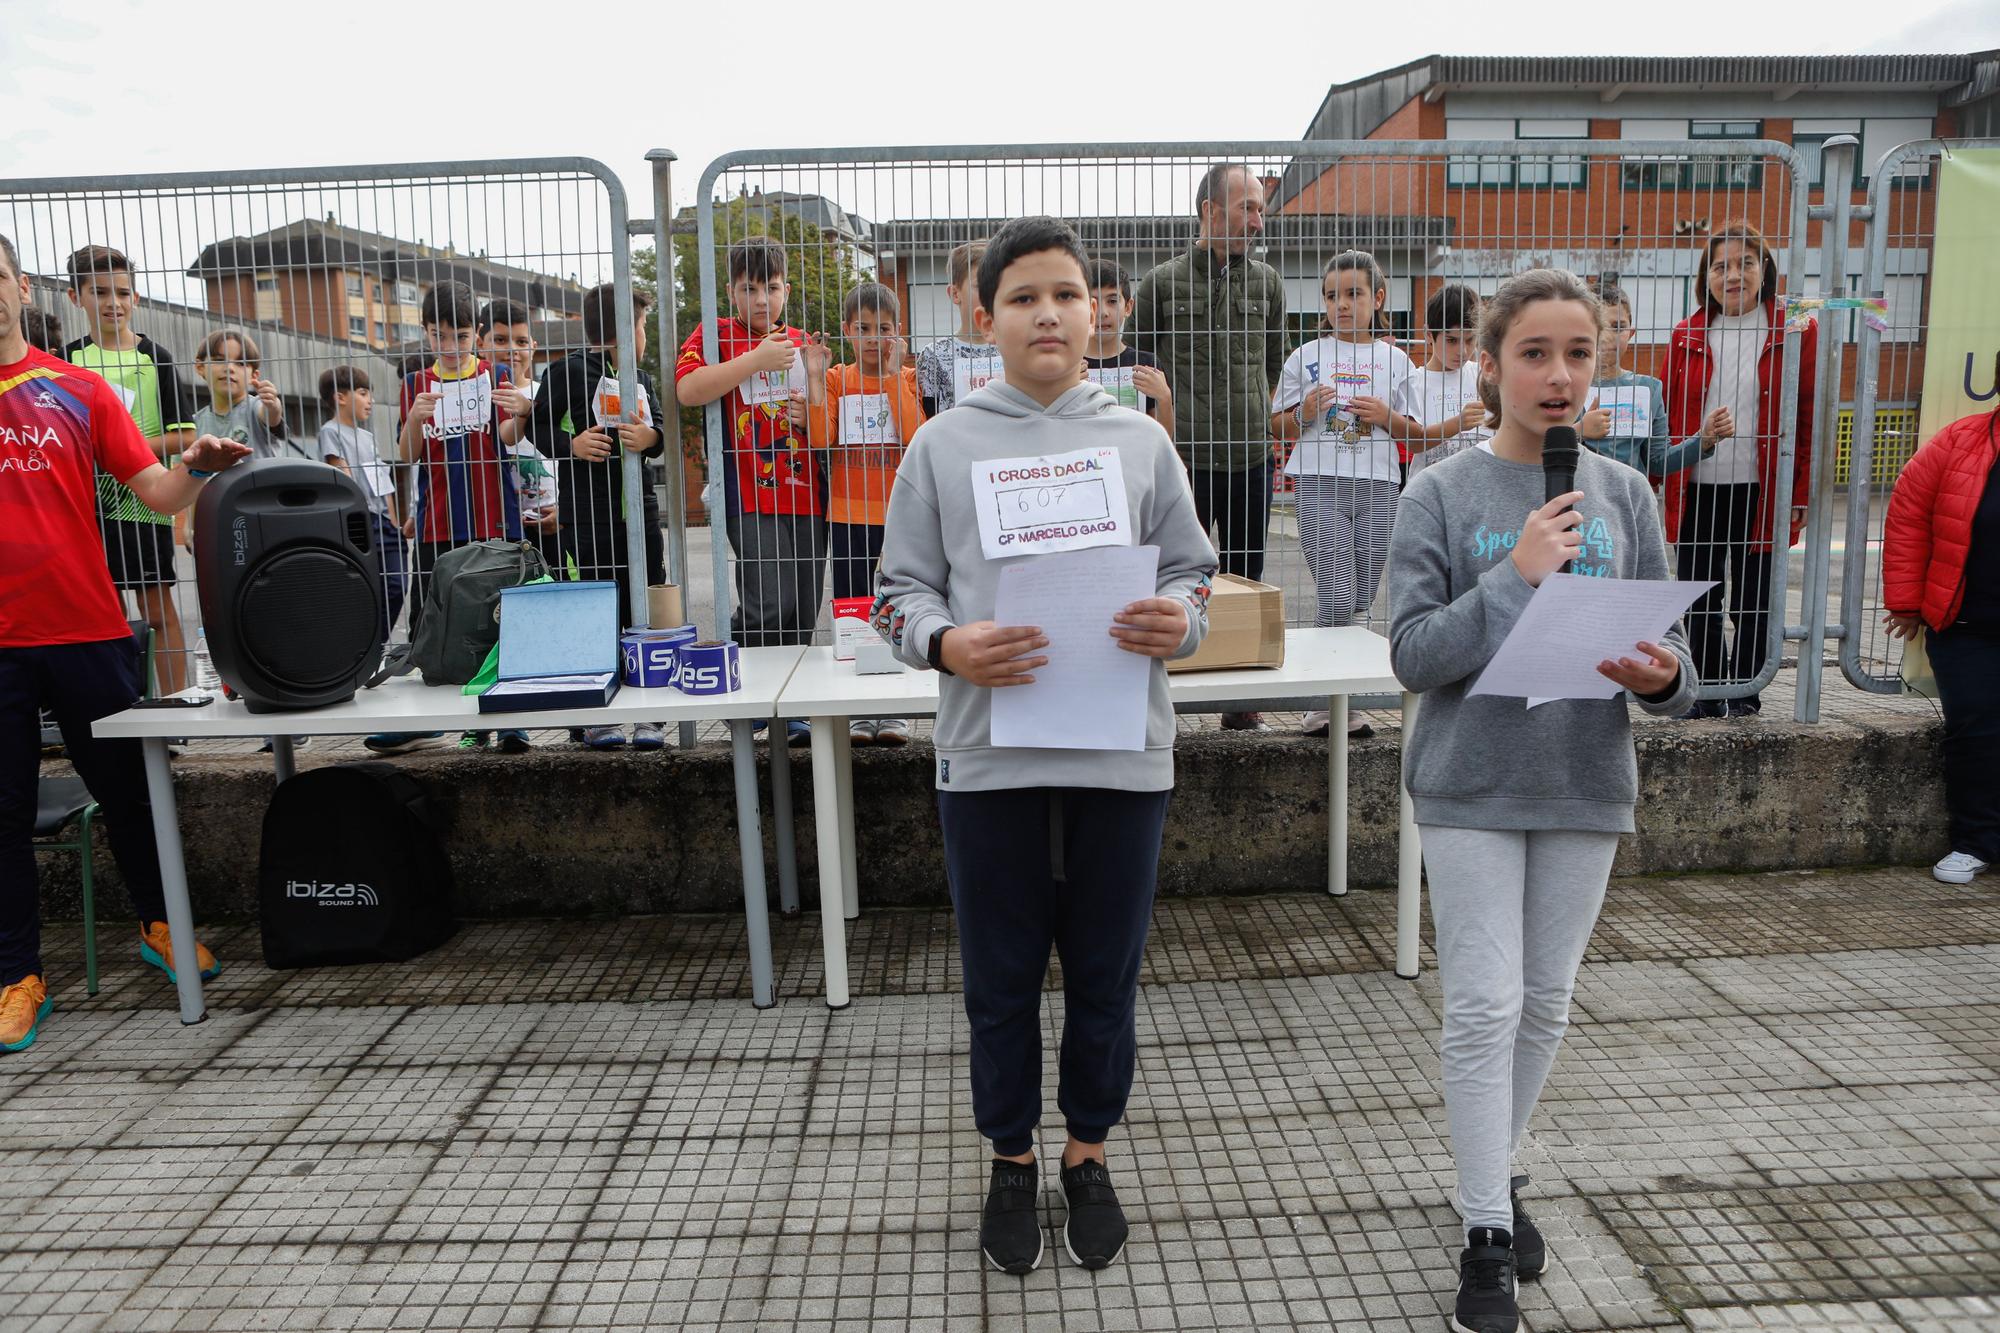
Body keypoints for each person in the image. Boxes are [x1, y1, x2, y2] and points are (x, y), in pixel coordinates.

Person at [872, 215, 1218, 1276]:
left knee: (1106, 971)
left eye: (1066, 294)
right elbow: (897, 595)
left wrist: (1181, 619)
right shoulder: (942, 442)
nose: (1048, 313)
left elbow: (1192, 572)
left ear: (1095, 310)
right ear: (984, 316)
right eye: (1022, 296)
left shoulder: (1138, 440)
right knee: (1001, 976)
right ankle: (1011, 1156)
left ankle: (1088, 1152)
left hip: (1120, 754)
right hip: (991, 757)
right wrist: (946, 641)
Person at [1387, 268, 1697, 1333]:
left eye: (1576, 353)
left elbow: (1675, 656)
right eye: (1532, 353)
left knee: (1545, 1003)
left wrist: (1660, 676)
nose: (1556, 375)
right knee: (1482, 1000)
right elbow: (1414, 653)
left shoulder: (1625, 491)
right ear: (1488, 365)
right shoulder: (1437, 489)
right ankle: (1483, 1228)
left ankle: (1491, 1170)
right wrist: (1511, 578)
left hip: (1581, 779)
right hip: (1469, 780)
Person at [0, 232, 251, 1053]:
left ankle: (160, 923)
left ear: (22, 286)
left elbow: (151, 486)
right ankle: (17, 975)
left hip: (86, 626)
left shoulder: (75, 388)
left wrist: (202, 469)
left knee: (133, 793)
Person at [1132, 162, 1285, 730]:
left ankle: (1241, 704)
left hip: (1249, 454)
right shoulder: (1161, 283)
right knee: (1178, 577)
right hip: (1183, 461)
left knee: (1247, 573)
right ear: (1209, 212)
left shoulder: (1268, 284)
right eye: (1247, 208)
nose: (1257, 221)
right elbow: (1139, 369)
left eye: (1261, 211)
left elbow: (1274, 367)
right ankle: (1169, 693)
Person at [364, 280, 528, 756]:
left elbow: (509, 437)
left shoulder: (496, 374)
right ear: (426, 333)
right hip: (438, 521)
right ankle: (427, 721)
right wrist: (415, 418)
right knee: (430, 623)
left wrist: (523, 410)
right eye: (440, 335)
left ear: (475, 333)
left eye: (460, 335)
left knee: (505, 621)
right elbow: (406, 454)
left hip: (494, 519)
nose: (451, 346)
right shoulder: (416, 383)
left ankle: (511, 721)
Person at [1662, 221, 1817, 719]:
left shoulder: (1794, 328)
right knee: (1699, 595)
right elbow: (1665, 414)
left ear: (1765, 270)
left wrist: (1800, 492)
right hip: (1698, 487)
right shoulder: (1686, 333)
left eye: (1745, 263)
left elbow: (1810, 412)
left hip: (1762, 489)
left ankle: (1745, 689)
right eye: (1720, 266)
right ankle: (1703, 692)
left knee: (1753, 598)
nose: (1733, 275)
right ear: (1705, 277)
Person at [674, 238, 824, 746]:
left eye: (773, 288)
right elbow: (688, 390)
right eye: (750, 288)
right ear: (732, 292)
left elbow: (826, 408)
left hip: (807, 495)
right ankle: (750, 691)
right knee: (767, 602)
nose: (763, 299)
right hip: (748, 494)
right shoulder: (715, 336)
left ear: (787, 290)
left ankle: (793, 704)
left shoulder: (803, 340)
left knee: (803, 605)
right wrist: (756, 359)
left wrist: (815, 409)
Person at [1269, 250, 1418, 739]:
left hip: (1378, 485)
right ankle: (1326, 705)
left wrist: (1385, 418)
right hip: (1319, 482)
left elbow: (1413, 433)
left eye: (1354, 294)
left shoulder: (1396, 360)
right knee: (1335, 592)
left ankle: (1336, 697)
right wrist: (1304, 414)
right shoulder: (1305, 356)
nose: (1342, 305)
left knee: (1361, 593)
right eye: (1332, 296)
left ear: (1377, 298)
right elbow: (1276, 424)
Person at [532, 282, 669, 751]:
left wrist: (648, 439)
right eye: (643, 325)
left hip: (641, 515)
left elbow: (662, 434)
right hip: (586, 518)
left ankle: (648, 714)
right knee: (592, 607)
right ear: (624, 330)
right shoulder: (564, 372)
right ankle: (592, 715)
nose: (645, 334)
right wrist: (570, 445)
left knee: (644, 607)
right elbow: (537, 426)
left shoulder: (642, 379)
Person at [61, 246, 197, 695]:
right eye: (98, 292)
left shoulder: (154, 357)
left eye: (121, 291)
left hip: (142, 504)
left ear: (135, 298)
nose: (112, 302)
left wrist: (122, 449)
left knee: (157, 610)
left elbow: (184, 436)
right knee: (106, 615)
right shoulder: (66, 361)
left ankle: (177, 706)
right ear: (75, 297)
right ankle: (125, 704)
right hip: (85, 508)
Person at [799, 281, 923, 746]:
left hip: (899, 514)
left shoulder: (908, 379)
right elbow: (818, 438)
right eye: (864, 329)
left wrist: (893, 378)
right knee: (853, 610)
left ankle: (892, 706)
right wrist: (813, 377)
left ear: (898, 332)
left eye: (884, 329)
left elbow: (914, 436)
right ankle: (857, 708)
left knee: (896, 606)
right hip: (849, 513)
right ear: (849, 331)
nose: (875, 338)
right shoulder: (836, 379)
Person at [1883, 397, 2000, 886]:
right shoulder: (1959, 440)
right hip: (1969, 624)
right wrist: (1908, 601)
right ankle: (1975, 843)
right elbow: (1910, 511)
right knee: (1974, 734)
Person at [1580, 279, 1728, 480]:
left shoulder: (1647, 389)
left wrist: (1703, 440)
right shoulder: (1565, 385)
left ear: (1631, 333)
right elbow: (1538, 446)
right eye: (1599, 326)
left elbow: (1658, 461)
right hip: (1577, 500)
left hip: (1630, 502)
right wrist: (1579, 431)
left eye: (1618, 327)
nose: (1607, 336)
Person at [317, 366, 408, 641]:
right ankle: (366, 646)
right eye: (363, 393)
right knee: (366, 587)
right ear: (340, 397)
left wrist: (394, 520)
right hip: (360, 521)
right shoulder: (329, 431)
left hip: (385, 522)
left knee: (397, 584)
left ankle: (375, 643)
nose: (370, 401)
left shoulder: (367, 436)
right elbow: (341, 474)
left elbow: (382, 480)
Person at [481, 299, 562, 575]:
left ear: (533, 347)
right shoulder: (474, 399)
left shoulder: (549, 395)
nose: (512, 350)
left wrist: (564, 511)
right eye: (500, 340)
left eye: (521, 341)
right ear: (480, 345)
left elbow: (565, 455)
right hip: (496, 528)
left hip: (548, 521)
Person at [1405, 284, 1492, 480]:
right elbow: (1413, 442)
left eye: (1470, 340)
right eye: (1452, 340)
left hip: (1479, 490)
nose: (1462, 351)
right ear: (1428, 335)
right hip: (1429, 494)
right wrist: (1458, 423)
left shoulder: (1486, 376)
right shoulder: (1414, 381)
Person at [1083, 258, 1175, 438]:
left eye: (1112, 300)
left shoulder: (1146, 364)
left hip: (1134, 463)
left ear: (1128, 307)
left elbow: (1164, 440)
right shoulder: (1069, 368)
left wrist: (1164, 399)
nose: (1102, 312)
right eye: (1092, 302)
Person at [914, 240, 1001, 417]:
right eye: (981, 285)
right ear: (955, 294)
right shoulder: (934, 355)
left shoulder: (1014, 349)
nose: (990, 293)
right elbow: (929, 418)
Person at [192, 329, 308, 461]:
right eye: (219, 360)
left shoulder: (256, 406)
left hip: (262, 482)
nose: (229, 368)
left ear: (254, 375)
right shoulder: (194, 422)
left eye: (240, 363)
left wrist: (273, 405)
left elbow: (270, 416)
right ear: (200, 367)